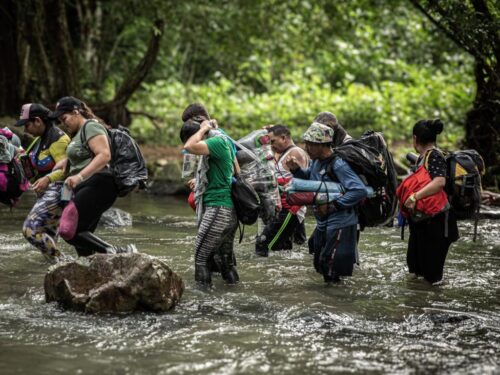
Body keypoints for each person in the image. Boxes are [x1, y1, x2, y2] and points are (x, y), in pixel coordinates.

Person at [51, 96, 135, 256]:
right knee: (81, 236)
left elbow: (104, 155)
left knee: (67, 229)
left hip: (100, 183)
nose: (63, 123)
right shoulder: (78, 133)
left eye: (65, 118)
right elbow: (83, 154)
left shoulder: (90, 126)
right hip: (88, 185)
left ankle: (119, 252)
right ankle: (90, 269)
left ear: (76, 112)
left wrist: (79, 177)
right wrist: (66, 163)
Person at [286, 123, 367, 282]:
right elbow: (310, 179)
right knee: (321, 264)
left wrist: (333, 206)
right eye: (306, 143)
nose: (306, 148)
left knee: (332, 269)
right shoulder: (316, 162)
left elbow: (359, 190)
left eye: (310, 144)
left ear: (322, 145)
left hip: (341, 223)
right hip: (323, 222)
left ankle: (338, 303)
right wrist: (296, 170)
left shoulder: (338, 164)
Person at [180, 103, 239, 286]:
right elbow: (235, 170)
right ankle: (233, 292)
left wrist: (203, 128)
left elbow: (189, 146)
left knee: (201, 259)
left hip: (218, 209)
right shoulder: (222, 140)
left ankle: (204, 304)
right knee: (225, 262)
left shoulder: (216, 141)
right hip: (228, 211)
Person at [399, 119, 459, 285]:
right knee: (416, 268)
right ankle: (420, 303)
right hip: (423, 221)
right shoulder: (422, 158)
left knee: (432, 276)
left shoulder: (434, 156)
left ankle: (434, 307)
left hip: (437, 223)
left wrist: (414, 197)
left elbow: (439, 182)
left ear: (415, 138)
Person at [14, 103, 70, 261]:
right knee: (48, 237)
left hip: (60, 191)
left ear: (38, 121)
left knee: (30, 230)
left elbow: (67, 170)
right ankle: (57, 270)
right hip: (48, 193)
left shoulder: (58, 140)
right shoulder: (40, 139)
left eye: (27, 125)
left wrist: (47, 179)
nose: (25, 130)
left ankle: (64, 262)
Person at [255, 124, 310, 257]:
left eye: (273, 141)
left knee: (263, 244)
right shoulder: (282, 153)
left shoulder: (295, 153)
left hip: (290, 209)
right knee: (283, 250)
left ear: (284, 138)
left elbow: (305, 182)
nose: (271, 145)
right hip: (282, 208)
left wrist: (294, 208)